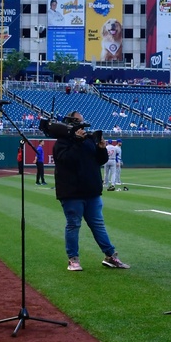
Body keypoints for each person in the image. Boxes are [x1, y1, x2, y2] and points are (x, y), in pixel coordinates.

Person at [48, 111, 129, 271]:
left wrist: (101, 148)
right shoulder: (62, 143)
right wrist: (77, 142)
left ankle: (110, 256)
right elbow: (67, 160)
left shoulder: (88, 140)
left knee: (98, 224)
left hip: (92, 191)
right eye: (78, 122)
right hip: (72, 193)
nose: (82, 126)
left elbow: (101, 160)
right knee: (73, 225)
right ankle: (73, 259)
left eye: (82, 122)